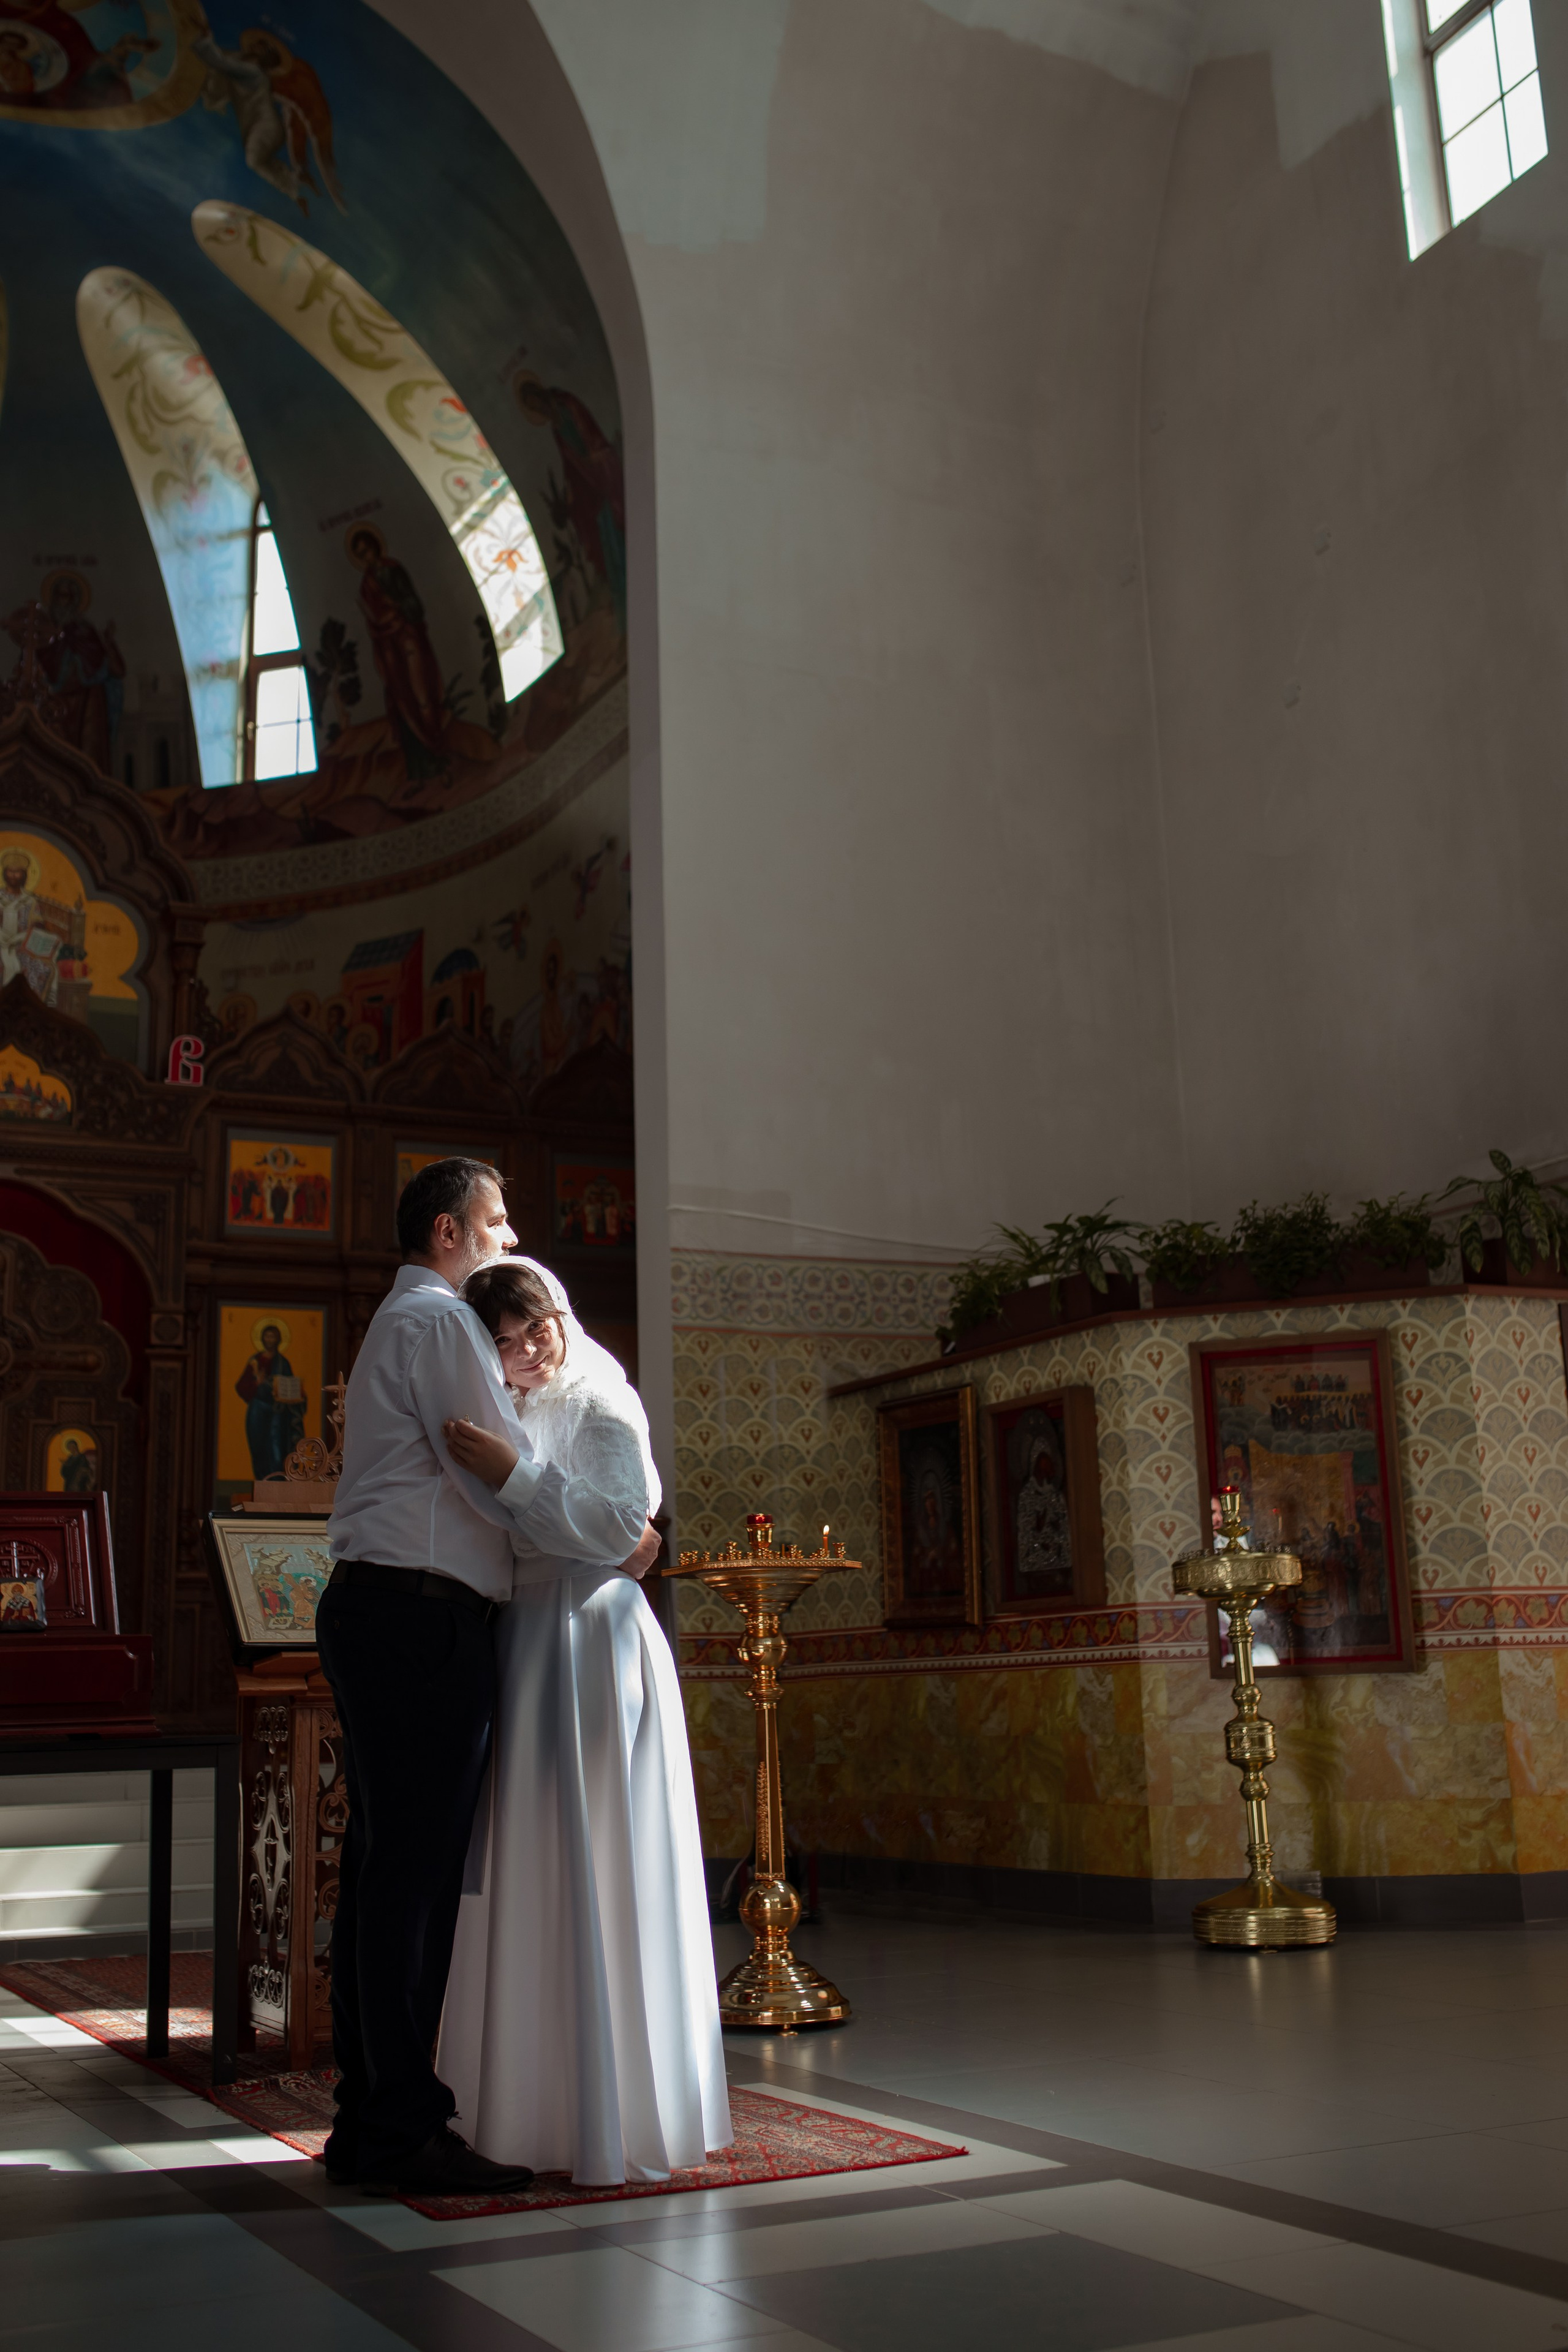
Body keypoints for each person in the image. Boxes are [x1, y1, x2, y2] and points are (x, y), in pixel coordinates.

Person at [317, 1159, 661, 2199]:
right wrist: (616, 1539)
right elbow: (504, 1465)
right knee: (411, 1882)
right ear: (447, 1230)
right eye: (495, 1219)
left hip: (399, 1610)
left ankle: (370, 2115)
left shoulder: (418, 1322)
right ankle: (398, 2127)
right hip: (418, 1615)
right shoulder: (440, 1327)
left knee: (390, 1873)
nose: (510, 1236)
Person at [439, 1258, 731, 2184]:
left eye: (538, 1330)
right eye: (506, 1342)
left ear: (561, 1315)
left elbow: (622, 1533)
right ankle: (530, 2111)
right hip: (524, 1638)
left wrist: (517, 1480)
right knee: (536, 1864)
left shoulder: (600, 1405)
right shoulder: (510, 1411)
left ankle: (613, 2116)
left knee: (598, 1856)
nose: (527, 1352)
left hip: (589, 1637)